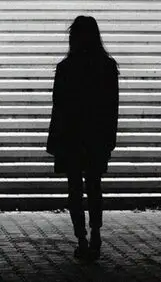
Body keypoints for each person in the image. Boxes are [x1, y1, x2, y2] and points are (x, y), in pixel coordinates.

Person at [47, 15, 119, 261]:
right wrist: (109, 140)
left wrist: (55, 142)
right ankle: (96, 234)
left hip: (71, 138)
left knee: (75, 189)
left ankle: (81, 239)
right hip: (96, 138)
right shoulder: (107, 67)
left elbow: (59, 107)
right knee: (95, 186)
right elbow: (112, 107)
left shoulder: (66, 68)